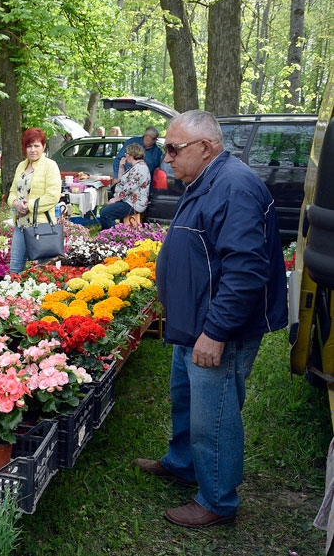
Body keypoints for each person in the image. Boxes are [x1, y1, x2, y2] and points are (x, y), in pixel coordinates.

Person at [131, 110, 287, 528]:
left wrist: (215, 332)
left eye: (173, 149)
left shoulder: (234, 187)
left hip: (217, 328)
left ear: (205, 148)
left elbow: (245, 270)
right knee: (187, 400)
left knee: (213, 413)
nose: (165, 159)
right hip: (193, 322)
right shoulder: (206, 179)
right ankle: (183, 463)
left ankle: (217, 499)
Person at [7, 127, 62, 274]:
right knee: (14, 270)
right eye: (29, 146)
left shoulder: (50, 166)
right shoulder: (21, 166)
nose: (33, 150)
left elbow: (53, 196)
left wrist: (29, 206)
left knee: (45, 270)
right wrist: (15, 204)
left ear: (43, 146)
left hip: (42, 226)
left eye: (37, 145)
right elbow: (12, 192)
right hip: (21, 224)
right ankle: (15, 297)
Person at [98, 143, 150, 229]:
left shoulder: (140, 168)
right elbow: (121, 181)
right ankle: (114, 233)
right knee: (104, 210)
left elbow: (129, 187)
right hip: (128, 200)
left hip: (134, 203)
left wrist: (115, 199)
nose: (125, 155)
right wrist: (121, 167)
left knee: (106, 213)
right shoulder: (135, 167)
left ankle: (113, 236)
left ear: (131, 155)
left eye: (126, 153)